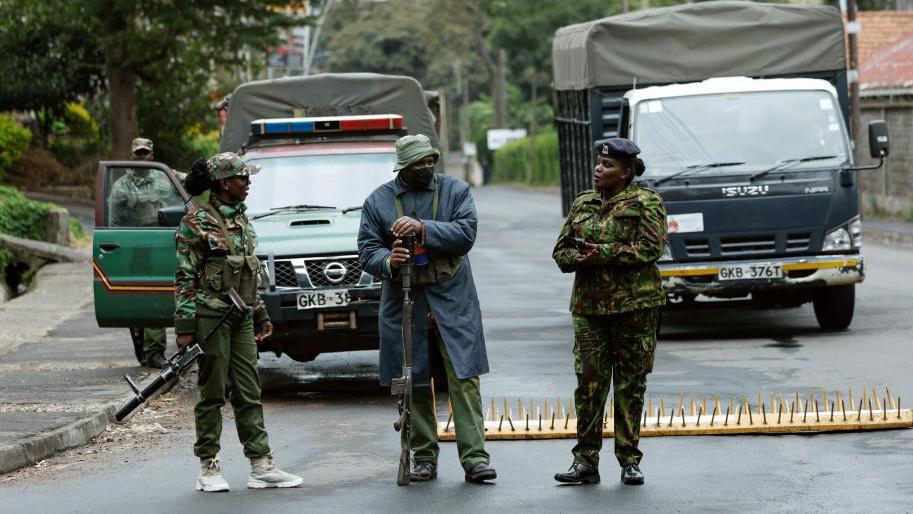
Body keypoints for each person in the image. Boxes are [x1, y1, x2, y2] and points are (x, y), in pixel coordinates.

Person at [357, 134, 497, 484]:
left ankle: (476, 459)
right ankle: (423, 458)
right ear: (403, 166)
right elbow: (366, 250)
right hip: (405, 298)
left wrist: (423, 229)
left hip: (453, 295)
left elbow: (466, 234)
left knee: (464, 377)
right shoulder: (378, 201)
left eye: (429, 159)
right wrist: (389, 260)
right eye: (418, 162)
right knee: (414, 377)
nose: (426, 166)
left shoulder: (456, 191)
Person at [174, 152, 302, 492]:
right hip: (210, 317)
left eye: (248, 178)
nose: (248, 183)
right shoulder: (196, 221)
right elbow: (184, 279)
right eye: (242, 178)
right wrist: (185, 329)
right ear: (223, 183)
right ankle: (209, 466)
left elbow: (250, 272)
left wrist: (260, 312)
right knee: (212, 392)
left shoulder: (243, 220)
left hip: (242, 317)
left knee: (249, 390)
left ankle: (261, 465)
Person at [551, 138, 667, 486]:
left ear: (626, 172)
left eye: (607, 166)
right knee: (589, 384)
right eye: (598, 164)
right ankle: (585, 461)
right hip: (589, 309)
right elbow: (560, 252)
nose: (598, 170)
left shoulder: (647, 202)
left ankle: (629, 459)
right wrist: (577, 257)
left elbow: (651, 248)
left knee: (630, 385)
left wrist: (602, 253)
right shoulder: (583, 203)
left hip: (636, 307)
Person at [109, 137, 171, 368]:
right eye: (137, 154)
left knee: (155, 298)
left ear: (152, 156)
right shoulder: (121, 187)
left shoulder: (165, 179)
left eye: (145, 154)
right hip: (133, 247)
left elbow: (189, 185)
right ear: (131, 156)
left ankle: (155, 352)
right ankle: (143, 349)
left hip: (160, 246)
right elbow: (114, 222)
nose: (141, 158)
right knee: (137, 303)